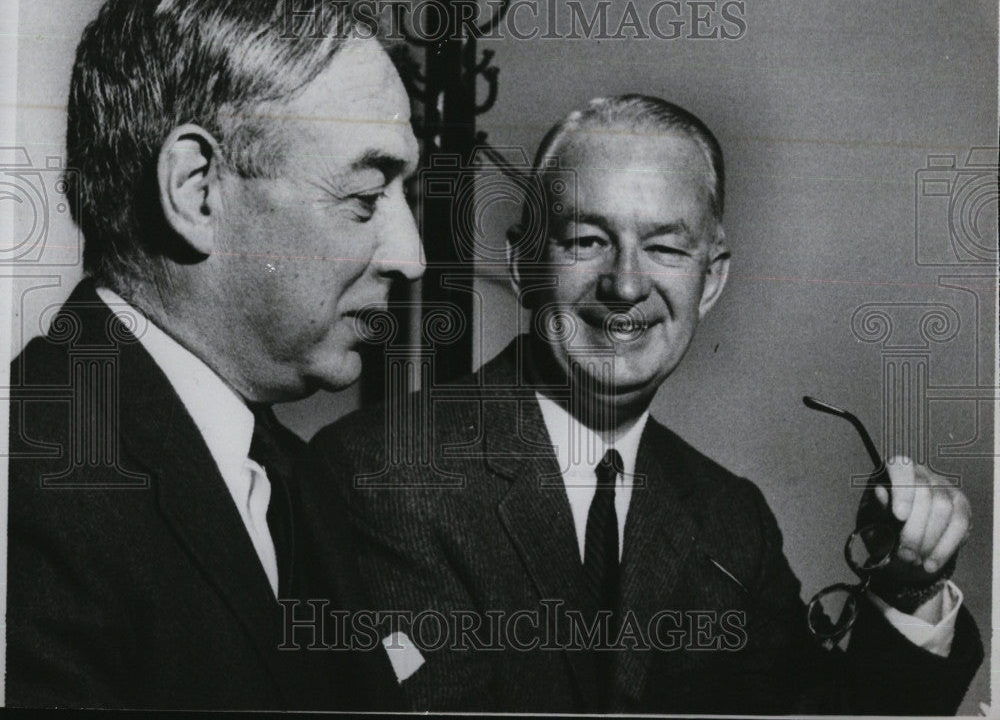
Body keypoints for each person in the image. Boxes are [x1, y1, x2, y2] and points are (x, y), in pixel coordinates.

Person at [315, 95, 983, 714]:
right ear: (524, 264)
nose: (626, 283)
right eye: (585, 240)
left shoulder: (730, 519)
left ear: (711, 279)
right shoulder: (381, 474)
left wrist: (906, 588)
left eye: (664, 247)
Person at [7, 0, 424, 709]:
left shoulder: (298, 478)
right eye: (366, 197)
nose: (411, 256)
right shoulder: (30, 493)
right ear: (197, 189)